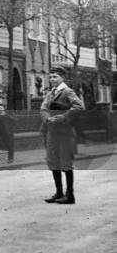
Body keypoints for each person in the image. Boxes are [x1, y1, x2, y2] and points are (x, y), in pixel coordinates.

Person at [40, 66, 84, 205]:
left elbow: (79, 106)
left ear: (62, 78)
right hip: (52, 133)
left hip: (65, 133)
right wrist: (47, 118)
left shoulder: (67, 91)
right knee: (53, 161)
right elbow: (43, 108)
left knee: (66, 162)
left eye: (55, 77)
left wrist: (62, 117)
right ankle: (59, 193)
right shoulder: (50, 93)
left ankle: (70, 195)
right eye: (51, 76)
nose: (52, 79)